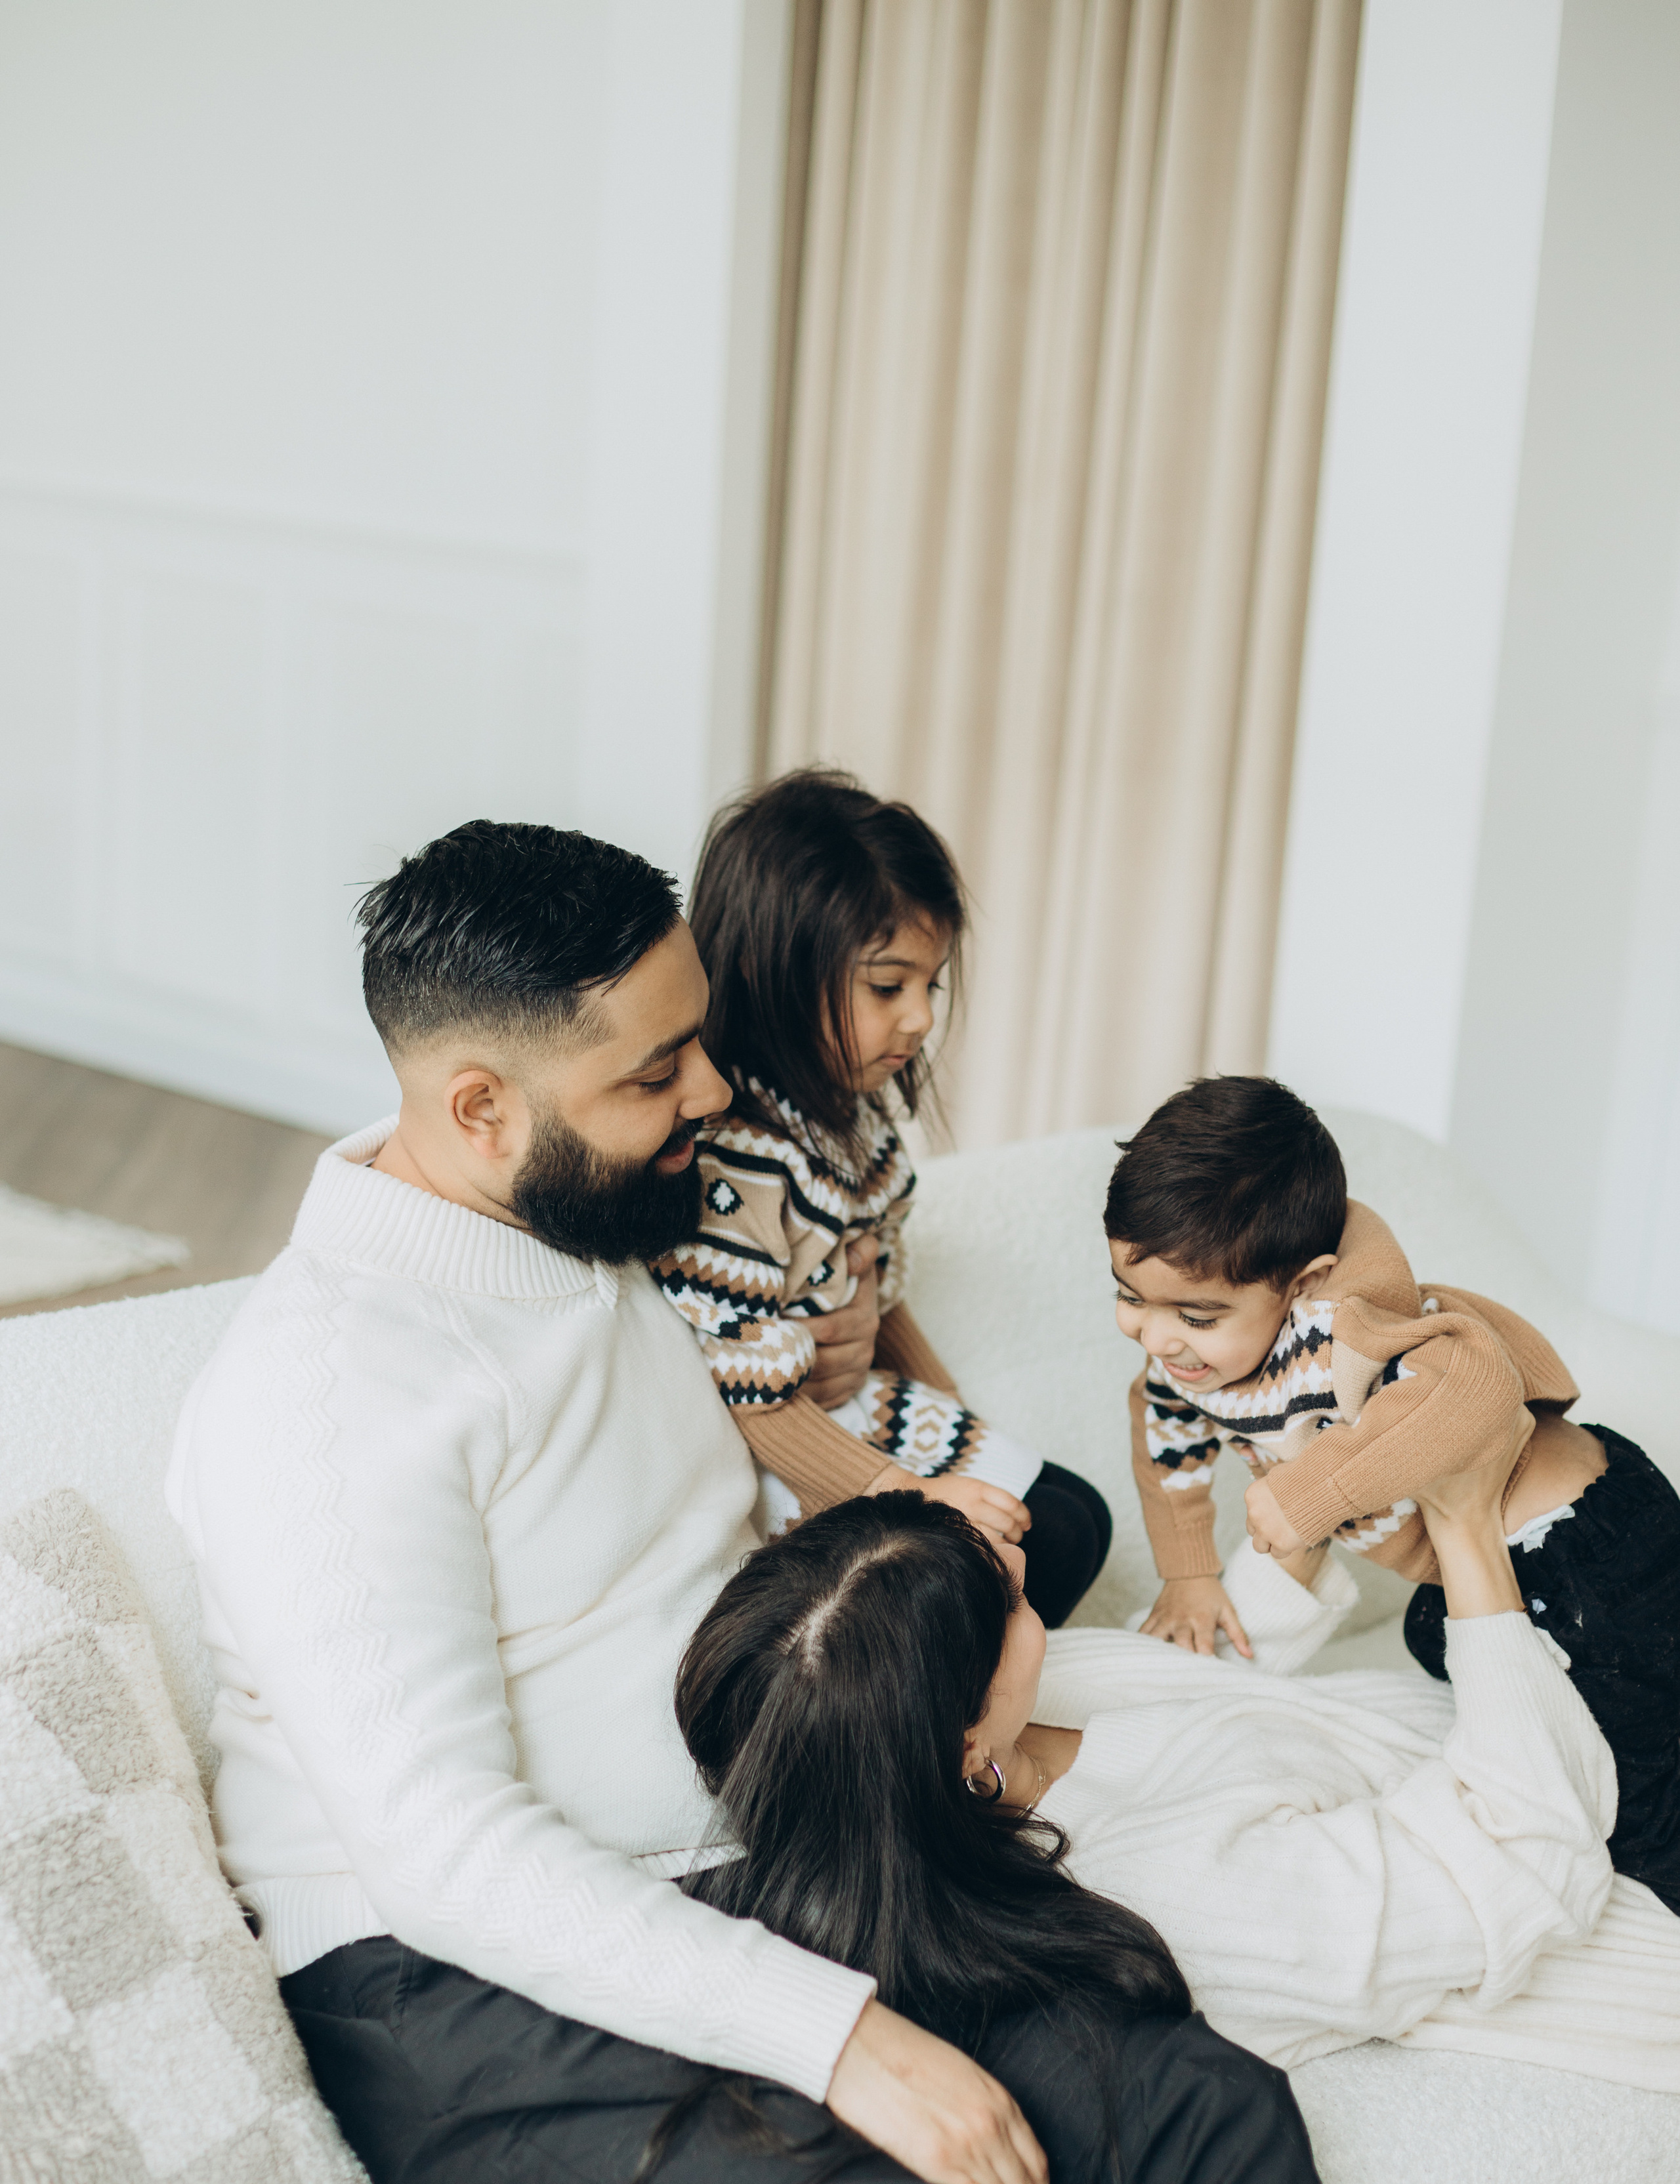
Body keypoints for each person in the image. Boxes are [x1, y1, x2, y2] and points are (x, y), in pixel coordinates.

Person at [168, 819, 1418, 2184]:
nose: (711, 1094)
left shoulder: (597, 1223)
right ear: (478, 1109)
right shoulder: (320, 1402)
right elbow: (441, 1854)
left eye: (693, 1043)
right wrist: (842, 2042)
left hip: (743, 1862)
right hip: (441, 1978)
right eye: (658, 1073)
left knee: (1198, 2104)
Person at [675, 1427, 1680, 2106]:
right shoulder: (1174, 1893)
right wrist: (1464, 1537)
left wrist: (1306, 1501)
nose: (1016, 1555)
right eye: (1012, 1603)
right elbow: (1526, 1855)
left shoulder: (996, 1725)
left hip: (1535, 1738)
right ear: (964, 1742)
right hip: (1625, 1882)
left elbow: (1205, 1695)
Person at [1108, 1074, 1680, 1912]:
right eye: (1128, 1297)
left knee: (1636, 1820)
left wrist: (1312, 1491)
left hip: (1588, 1551)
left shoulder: (1348, 1328)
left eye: (1196, 1318)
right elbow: (1165, 1444)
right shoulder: (1187, 1365)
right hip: (1483, 1574)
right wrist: (1189, 1571)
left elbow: (1470, 1386)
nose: (1157, 1339)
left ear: (1303, 1283)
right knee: (1439, 1644)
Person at [648, 768, 1111, 1628]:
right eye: (888, 986)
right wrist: (915, 1494)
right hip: (801, 1465)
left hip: (865, 1420)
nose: (922, 1019)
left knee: (1072, 1520)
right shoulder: (738, 1165)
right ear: (768, 967)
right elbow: (755, 1399)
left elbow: (878, 1294)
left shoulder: (847, 1129)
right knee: (1044, 1537)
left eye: (931, 986)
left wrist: (959, 1422)